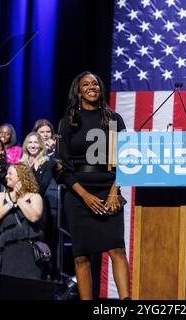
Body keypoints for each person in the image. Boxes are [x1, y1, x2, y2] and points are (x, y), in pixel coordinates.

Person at [58, 71, 130, 300]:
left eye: (95, 83)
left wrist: (113, 192)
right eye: (86, 84)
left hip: (109, 190)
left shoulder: (113, 119)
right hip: (79, 195)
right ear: (78, 91)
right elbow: (62, 167)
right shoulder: (69, 121)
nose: (92, 87)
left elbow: (125, 158)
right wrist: (85, 196)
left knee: (116, 249)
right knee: (81, 256)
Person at [0, 163, 43, 280]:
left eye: (10, 174)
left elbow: (34, 217)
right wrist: (12, 200)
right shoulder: (1, 196)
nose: (6, 177)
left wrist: (19, 199)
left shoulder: (35, 197)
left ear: (21, 176)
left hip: (26, 249)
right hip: (6, 248)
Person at [19, 132, 57, 277]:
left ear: (41, 145)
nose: (33, 145)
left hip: (39, 209)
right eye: (30, 142)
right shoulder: (20, 163)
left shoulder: (47, 163)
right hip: (21, 208)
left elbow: (41, 186)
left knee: (39, 244)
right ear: (25, 145)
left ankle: (41, 277)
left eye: (36, 142)